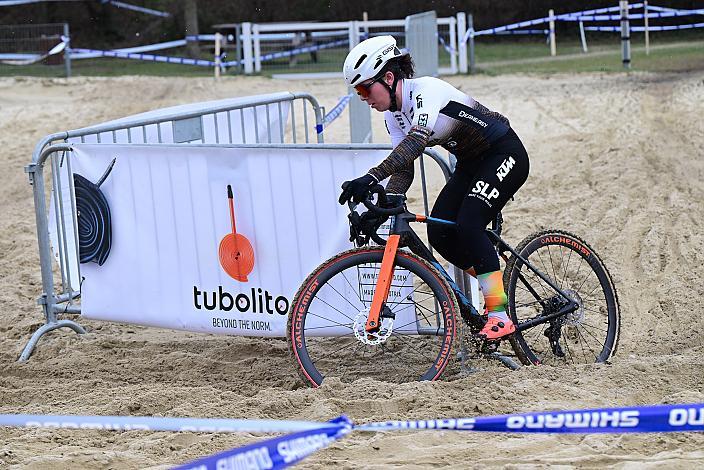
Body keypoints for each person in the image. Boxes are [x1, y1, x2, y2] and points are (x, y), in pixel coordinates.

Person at [338, 35, 529, 341]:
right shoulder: (393, 116)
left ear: (388, 78)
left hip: (504, 152)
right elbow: (403, 169)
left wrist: (371, 176)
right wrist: (384, 205)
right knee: (441, 234)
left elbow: (416, 143)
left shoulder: (425, 91)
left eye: (364, 88)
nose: (364, 98)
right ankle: (492, 283)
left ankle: (498, 313)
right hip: (471, 162)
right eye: (358, 92)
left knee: (469, 223)